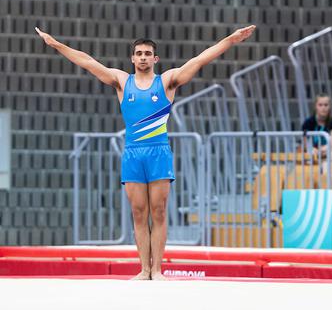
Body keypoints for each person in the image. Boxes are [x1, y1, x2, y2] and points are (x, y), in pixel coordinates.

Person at [35, 25, 256, 280]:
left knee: (158, 211)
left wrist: (230, 40)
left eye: (147, 53)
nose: (142, 57)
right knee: (138, 212)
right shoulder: (121, 81)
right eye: (138, 53)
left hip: (158, 152)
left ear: (155, 58)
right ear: (132, 58)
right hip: (133, 153)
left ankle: (158, 270)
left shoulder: (167, 81)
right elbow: (87, 61)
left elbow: (200, 59)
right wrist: (56, 45)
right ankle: (144, 269)